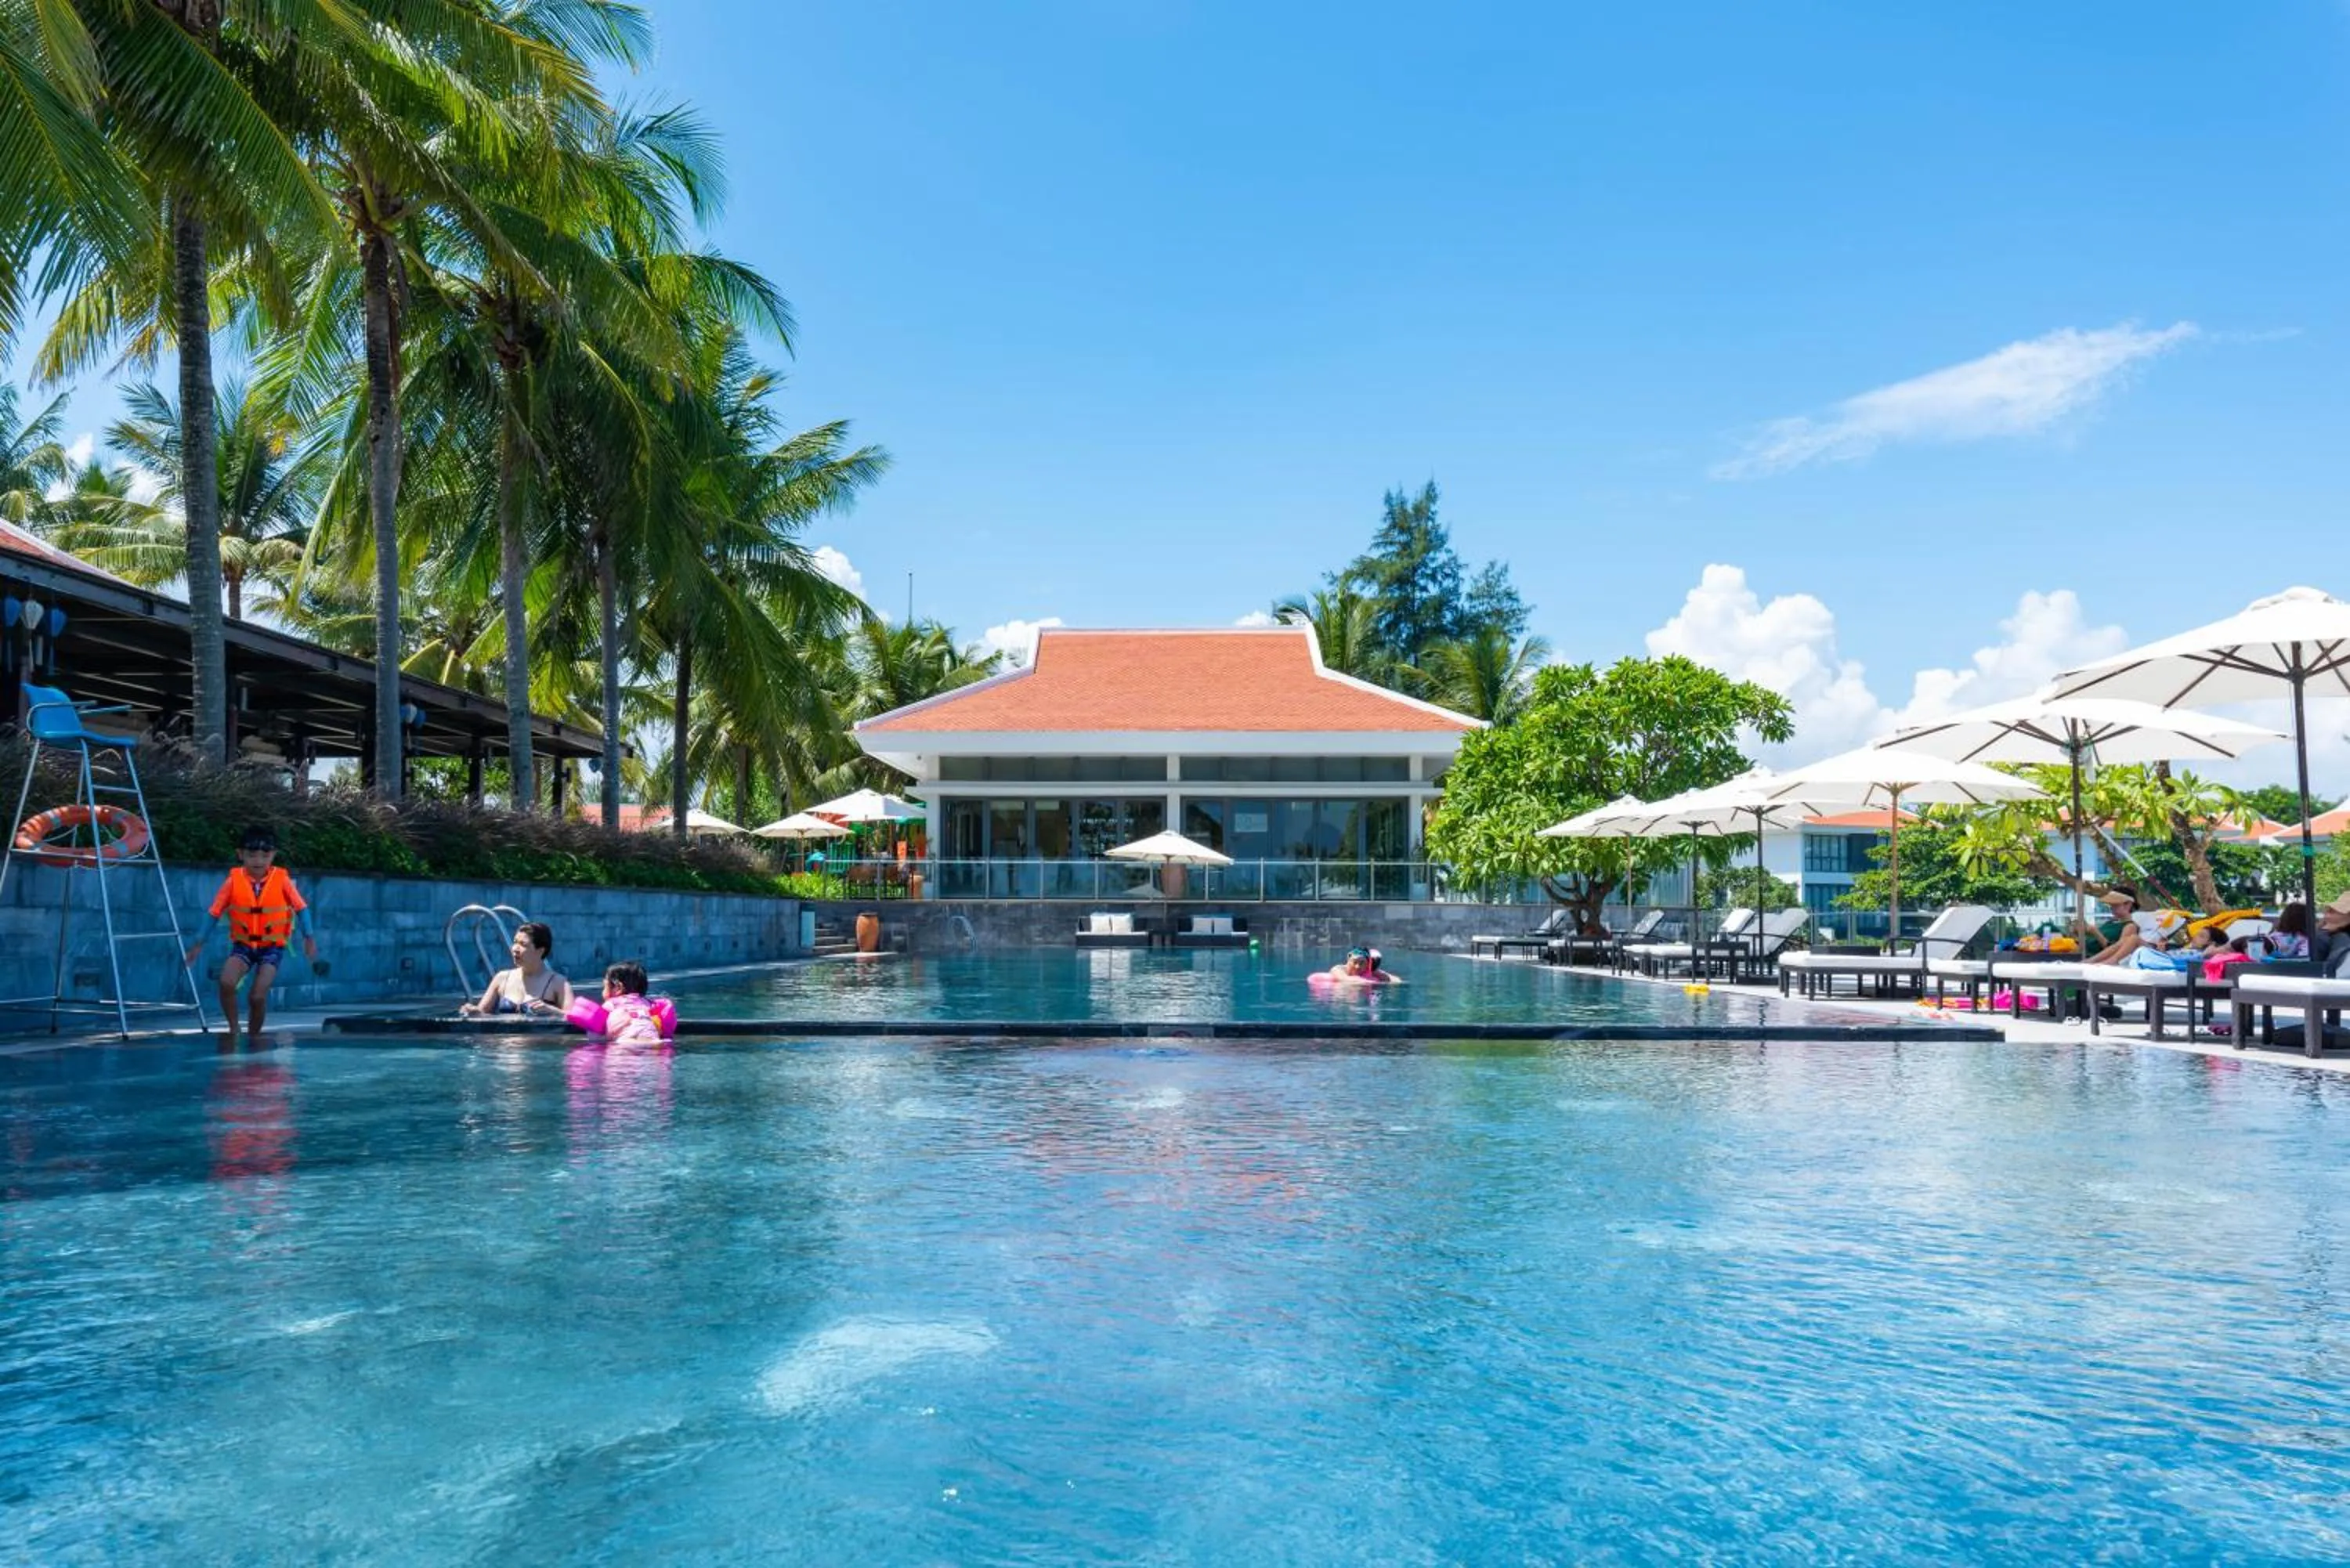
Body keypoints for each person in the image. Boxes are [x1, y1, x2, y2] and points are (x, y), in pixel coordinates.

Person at [183, 826, 319, 1047]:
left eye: (265, 855)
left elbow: (302, 908)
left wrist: (309, 937)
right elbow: (214, 912)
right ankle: (234, 1029)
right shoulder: (233, 881)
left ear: (273, 855)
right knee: (226, 982)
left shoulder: (282, 880)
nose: (258, 861)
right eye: (252, 855)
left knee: (257, 996)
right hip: (243, 945)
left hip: (271, 948)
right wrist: (198, 944)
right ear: (241, 854)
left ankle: (254, 1037)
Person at [461, 922, 571, 1017]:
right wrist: (472, 1011)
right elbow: (481, 1015)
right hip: (505, 1035)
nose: (515, 949)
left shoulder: (558, 983)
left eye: (523, 944)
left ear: (540, 951)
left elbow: (575, 1018)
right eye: (515, 942)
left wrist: (552, 1011)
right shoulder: (502, 978)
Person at [597, 961, 671, 1046]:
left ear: (618, 988)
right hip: (653, 1040)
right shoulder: (647, 1003)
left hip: (626, 1041)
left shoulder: (611, 1004)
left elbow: (596, 1032)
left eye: (605, 986)